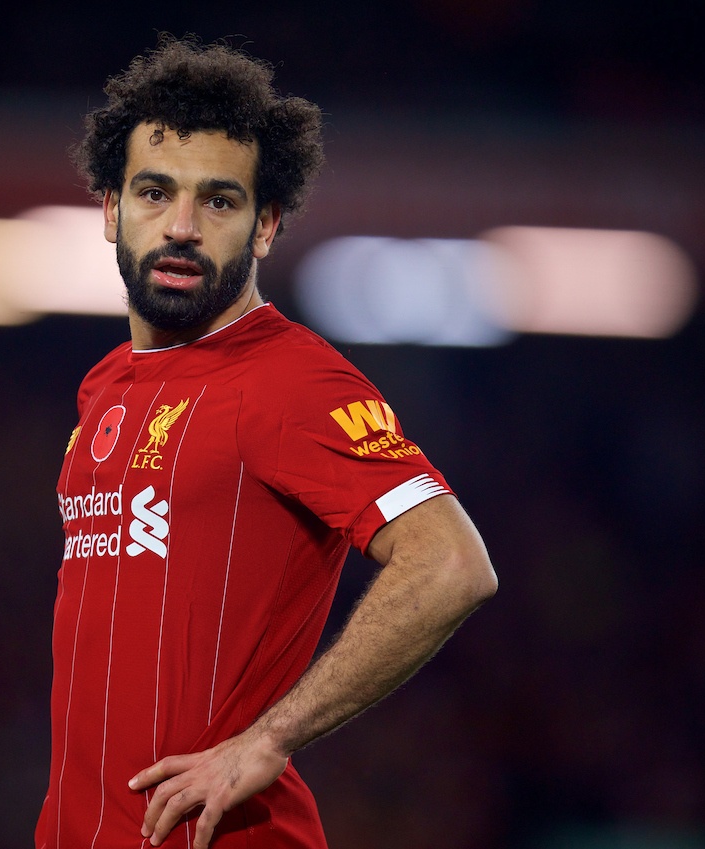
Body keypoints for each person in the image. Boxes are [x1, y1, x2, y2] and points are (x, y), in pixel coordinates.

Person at [37, 36, 497, 849]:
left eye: (218, 201)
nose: (181, 226)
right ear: (110, 208)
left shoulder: (290, 381)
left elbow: (452, 563)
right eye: (154, 192)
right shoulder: (105, 386)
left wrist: (267, 740)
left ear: (265, 225)